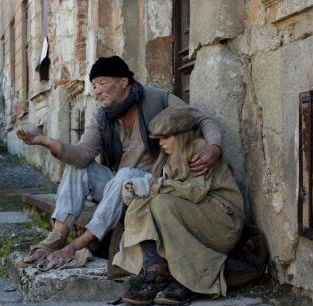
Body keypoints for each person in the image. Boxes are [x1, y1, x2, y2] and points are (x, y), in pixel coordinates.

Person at [16, 55, 224, 269]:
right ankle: (57, 237)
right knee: (78, 169)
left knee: (124, 176)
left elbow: (202, 119)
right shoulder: (102, 116)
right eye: (94, 85)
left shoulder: (158, 99)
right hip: (119, 187)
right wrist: (44, 140)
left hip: (153, 186)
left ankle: (80, 244)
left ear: (123, 82)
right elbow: (82, 154)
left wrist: (214, 148)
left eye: (103, 83)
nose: (97, 91)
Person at [114, 107, 245, 306]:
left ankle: (187, 279)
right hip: (201, 217)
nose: (161, 143)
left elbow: (195, 192)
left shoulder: (200, 148)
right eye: (158, 138)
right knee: (139, 202)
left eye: (166, 137)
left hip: (224, 222)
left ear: (181, 135)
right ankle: (156, 272)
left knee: (159, 202)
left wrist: (153, 186)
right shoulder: (171, 158)